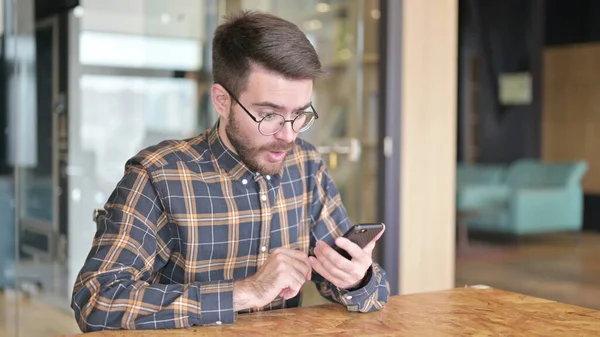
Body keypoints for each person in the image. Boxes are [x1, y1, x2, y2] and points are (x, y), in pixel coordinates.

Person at [71, 10, 389, 332]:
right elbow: (97, 302)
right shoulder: (158, 176)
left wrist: (356, 278)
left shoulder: (306, 165)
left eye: (299, 114)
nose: (289, 134)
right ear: (222, 101)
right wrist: (245, 291)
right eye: (269, 115)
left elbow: (373, 293)